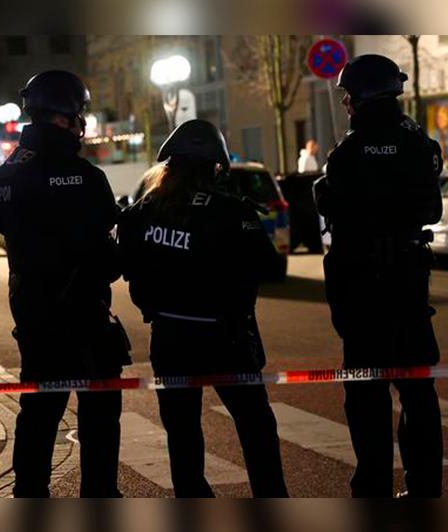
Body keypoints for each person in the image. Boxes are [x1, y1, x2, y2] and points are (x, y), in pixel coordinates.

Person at [118, 119, 288, 498]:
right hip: (227, 339)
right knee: (256, 426)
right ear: (215, 168)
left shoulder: (143, 212)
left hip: (169, 339)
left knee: (182, 434)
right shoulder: (231, 212)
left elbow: (123, 263)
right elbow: (268, 266)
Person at [0, 70, 124, 497]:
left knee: (38, 413)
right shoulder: (86, 177)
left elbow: (1, 223)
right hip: (84, 317)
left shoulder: (5, 174)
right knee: (100, 413)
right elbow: (106, 257)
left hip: (33, 314)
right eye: (79, 113)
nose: (82, 121)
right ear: (65, 115)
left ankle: (29, 496)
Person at [313, 54, 444, 497]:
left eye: (348, 94)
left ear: (363, 96)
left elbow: (335, 205)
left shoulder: (349, 151)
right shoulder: (419, 143)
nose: (345, 102)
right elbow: (432, 209)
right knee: (418, 394)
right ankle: (424, 489)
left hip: (363, 290)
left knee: (366, 397)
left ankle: (372, 490)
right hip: (409, 285)